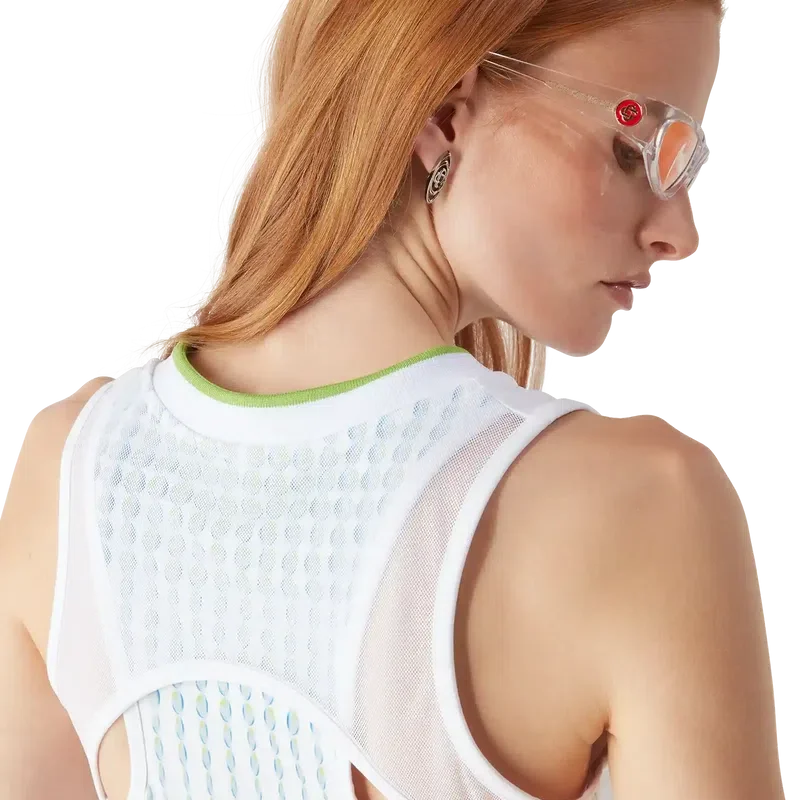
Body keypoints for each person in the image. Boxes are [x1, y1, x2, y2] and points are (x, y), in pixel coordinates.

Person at [0, 0, 785, 798]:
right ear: (443, 113)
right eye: (632, 149)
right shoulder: (644, 502)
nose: (679, 234)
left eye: (684, 166)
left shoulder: (70, 470)